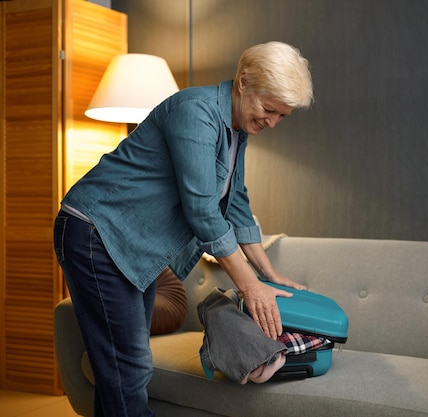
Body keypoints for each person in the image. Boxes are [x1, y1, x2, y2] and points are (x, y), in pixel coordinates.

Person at [53, 41, 313, 417]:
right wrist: (250, 286)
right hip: (96, 233)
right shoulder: (196, 112)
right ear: (243, 83)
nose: (271, 122)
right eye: (268, 109)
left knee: (119, 369)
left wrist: (269, 274)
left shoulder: (236, 130)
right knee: (129, 367)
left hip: (130, 248)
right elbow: (203, 212)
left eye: (282, 116)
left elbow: (236, 203)